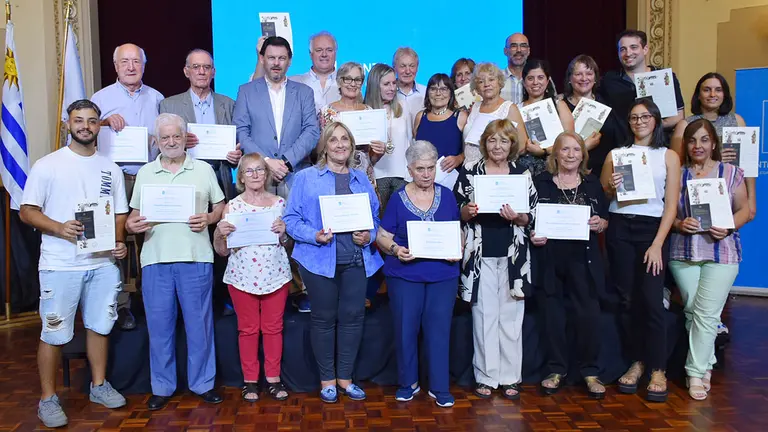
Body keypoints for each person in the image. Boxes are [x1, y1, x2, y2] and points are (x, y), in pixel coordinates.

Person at [20, 100, 128, 428]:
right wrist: (59, 228)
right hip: (60, 263)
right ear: (69, 123)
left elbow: (119, 212)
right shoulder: (48, 165)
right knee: (54, 332)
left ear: (99, 126)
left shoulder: (111, 168)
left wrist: (119, 241)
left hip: (102, 264)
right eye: (79, 120)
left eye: (92, 121)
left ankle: (98, 385)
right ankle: (48, 399)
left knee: (100, 325)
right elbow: (27, 210)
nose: (85, 126)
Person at [125, 113, 226, 410]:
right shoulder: (145, 173)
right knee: (159, 327)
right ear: (156, 141)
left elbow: (220, 206)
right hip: (155, 259)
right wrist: (133, 226)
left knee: (200, 326)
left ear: (185, 138)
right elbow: (132, 218)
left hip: (196, 258)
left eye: (176, 136)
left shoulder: (204, 169)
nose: (171, 142)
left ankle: (203, 384)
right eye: (165, 137)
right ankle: (162, 386)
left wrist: (208, 218)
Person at [283, 122, 383, 403]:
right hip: (319, 261)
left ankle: (346, 379)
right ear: (324, 146)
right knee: (323, 319)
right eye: (333, 140)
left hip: (356, 259)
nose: (339, 145)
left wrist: (370, 234)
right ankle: (327, 380)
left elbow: (375, 220)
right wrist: (313, 235)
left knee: (353, 319)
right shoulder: (305, 178)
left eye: (345, 140)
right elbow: (291, 220)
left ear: (352, 146)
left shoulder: (361, 179)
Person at [600, 99, 681, 402]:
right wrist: (610, 184)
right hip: (620, 227)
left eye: (645, 117)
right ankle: (637, 361)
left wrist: (658, 244)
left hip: (651, 231)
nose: (639, 122)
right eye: (633, 118)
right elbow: (607, 191)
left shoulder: (669, 156)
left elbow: (671, 206)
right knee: (627, 299)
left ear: (656, 120)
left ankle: (658, 368)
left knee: (651, 299)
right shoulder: (616, 154)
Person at [454, 119, 537, 400]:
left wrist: (518, 217)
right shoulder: (470, 172)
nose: (497, 146)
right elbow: (458, 211)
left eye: (503, 140)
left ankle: (511, 377)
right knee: (484, 317)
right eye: (492, 140)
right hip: (480, 256)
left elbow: (532, 216)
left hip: (514, 256)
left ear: (512, 144)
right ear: (484, 144)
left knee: (512, 318)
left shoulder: (522, 173)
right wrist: (469, 210)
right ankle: (487, 377)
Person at [375, 140, 461, 408]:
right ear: (409, 169)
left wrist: (457, 248)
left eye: (431, 168)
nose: (426, 174)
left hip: (442, 273)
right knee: (405, 329)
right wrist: (395, 249)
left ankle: (439, 386)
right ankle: (407, 382)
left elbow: (457, 232)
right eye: (420, 168)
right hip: (404, 274)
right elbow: (382, 236)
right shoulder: (398, 198)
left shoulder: (447, 195)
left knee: (439, 329)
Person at [668, 119, 749, 400]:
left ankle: (695, 372)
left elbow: (745, 210)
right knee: (695, 311)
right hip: (683, 253)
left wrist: (728, 226)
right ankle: (708, 363)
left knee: (704, 313)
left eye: (704, 140)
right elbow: (667, 213)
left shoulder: (731, 172)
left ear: (714, 143)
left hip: (722, 253)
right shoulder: (677, 174)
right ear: (685, 145)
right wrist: (679, 224)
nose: (698, 146)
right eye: (692, 141)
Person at [91, 42, 164, 330]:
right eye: (125, 62)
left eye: (136, 62)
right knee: (116, 240)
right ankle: (120, 305)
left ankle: (152, 302)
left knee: (151, 236)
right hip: (115, 179)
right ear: (116, 66)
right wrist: (105, 121)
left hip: (150, 177)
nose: (131, 67)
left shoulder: (157, 97)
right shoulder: (101, 97)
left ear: (144, 66)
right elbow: (82, 130)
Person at [530, 131, 608, 399]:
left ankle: (590, 371)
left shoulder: (592, 183)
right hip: (550, 259)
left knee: (588, 317)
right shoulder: (540, 182)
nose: (570, 155)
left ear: (583, 155)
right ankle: (556, 370)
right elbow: (530, 219)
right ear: (556, 154)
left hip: (583, 261)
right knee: (553, 318)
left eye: (576, 150)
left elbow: (605, 218)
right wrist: (533, 233)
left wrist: (600, 224)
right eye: (565, 150)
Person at [213, 153, 292, 403]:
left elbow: (289, 247)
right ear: (241, 177)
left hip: (276, 274)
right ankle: (249, 381)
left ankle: (273, 378)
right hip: (242, 276)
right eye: (249, 171)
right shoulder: (232, 207)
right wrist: (218, 232)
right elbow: (222, 251)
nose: (255, 175)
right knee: (247, 330)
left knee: (273, 329)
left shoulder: (281, 203)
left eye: (260, 170)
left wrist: (285, 233)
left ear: (267, 174)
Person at [233, 36, 321, 197]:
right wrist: (266, 162)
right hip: (258, 177)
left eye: (282, 58)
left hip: (295, 175)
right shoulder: (246, 91)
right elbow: (241, 131)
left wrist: (286, 162)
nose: (276, 63)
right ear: (262, 59)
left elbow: (312, 131)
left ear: (290, 61)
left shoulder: (304, 92)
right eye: (271, 58)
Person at [671, 72, 755, 223]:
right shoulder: (684, 125)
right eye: (707, 89)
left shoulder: (737, 121)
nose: (712, 94)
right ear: (698, 95)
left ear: (725, 94)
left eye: (718, 89)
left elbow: (747, 167)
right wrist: (715, 158)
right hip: (695, 194)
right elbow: (677, 165)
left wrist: (751, 200)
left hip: (732, 194)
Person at [159, 49, 241, 200]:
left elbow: (237, 143)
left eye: (207, 67)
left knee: (220, 223)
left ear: (213, 72)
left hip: (220, 177)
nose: (201, 72)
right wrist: (181, 143)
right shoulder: (169, 105)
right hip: (183, 177)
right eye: (196, 67)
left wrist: (236, 156)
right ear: (186, 71)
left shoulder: (229, 104)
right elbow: (161, 147)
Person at [599, 30, 685, 145]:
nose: (628, 53)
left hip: (658, 147)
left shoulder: (665, 78)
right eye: (623, 49)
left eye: (633, 47)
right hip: (622, 149)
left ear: (645, 49)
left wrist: (646, 126)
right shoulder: (609, 80)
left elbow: (678, 117)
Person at [318, 61, 385, 186]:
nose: (353, 84)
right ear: (339, 82)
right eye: (347, 79)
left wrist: (378, 152)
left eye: (357, 79)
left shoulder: (368, 112)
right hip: (333, 176)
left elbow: (371, 158)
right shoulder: (327, 112)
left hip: (364, 176)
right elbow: (319, 152)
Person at [517, 59, 575, 178]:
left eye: (540, 77)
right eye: (530, 78)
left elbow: (570, 140)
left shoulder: (559, 105)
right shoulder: (517, 109)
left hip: (556, 167)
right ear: (523, 82)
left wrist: (544, 151)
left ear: (548, 80)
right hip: (525, 170)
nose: (535, 82)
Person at [365, 63, 412, 210]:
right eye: (386, 84)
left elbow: (409, 141)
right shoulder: (365, 110)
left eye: (394, 83)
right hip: (377, 177)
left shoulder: (402, 106)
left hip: (401, 175)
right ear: (375, 85)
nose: (392, 88)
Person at [463, 63, 528, 166]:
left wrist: (498, 162)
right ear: (477, 87)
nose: (486, 84)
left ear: (500, 83)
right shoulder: (475, 107)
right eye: (481, 81)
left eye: (491, 80)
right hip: (468, 168)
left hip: (494, 171)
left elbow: (522, 146)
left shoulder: (509, 108)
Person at [561, 54, 612, 175]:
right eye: (578, 74)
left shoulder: (606, 104)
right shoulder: (560, 106)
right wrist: (585, 147)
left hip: (602, 172)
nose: (584, 78)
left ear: (595, 78)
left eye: (589, 74)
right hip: (568, 172)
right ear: (569, 78)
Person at [413, 73, 468, 177]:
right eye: (433, 89)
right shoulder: (420, 117)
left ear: (451, 93)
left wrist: (458, 159)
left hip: (452, 177)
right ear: (428, 93)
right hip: (423, 178)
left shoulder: (460, 117)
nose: (438, 93)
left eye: (443, 89)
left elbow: (470, 150)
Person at [291, 31, 341, 113]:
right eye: (319, 50)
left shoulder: (348, 83)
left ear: (335, 53)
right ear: (311, 54)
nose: (324, 54)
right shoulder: (294, 83)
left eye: (329, 50)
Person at [393, 47, 427, 126]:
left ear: (417, 68)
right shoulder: (388, 94)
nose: (408, 71)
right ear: (394, 68)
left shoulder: (426, 92)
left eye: (412, 66)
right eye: (403, 66)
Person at [501, 33, 530, 104]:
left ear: (528, 51)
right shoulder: (495, 79)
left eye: (523, 46)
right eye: (513, 46)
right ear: (505, 51)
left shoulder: (540, 79)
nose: (519, 50)